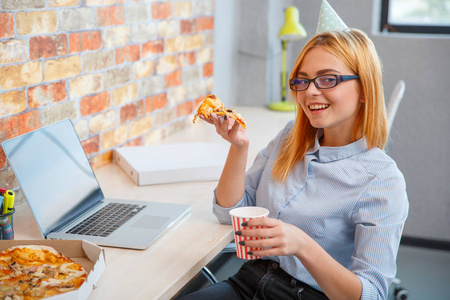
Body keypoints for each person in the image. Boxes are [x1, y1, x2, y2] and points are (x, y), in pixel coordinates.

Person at [180, 28, 408, 300]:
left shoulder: (381, 180)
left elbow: (372, 294)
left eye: (327, 79)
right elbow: (230, 211)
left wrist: (302, 245)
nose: (310, 91)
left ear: (364, 89)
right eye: (302, 81)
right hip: (249, 281)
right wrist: (238, 147)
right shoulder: (290, 137)